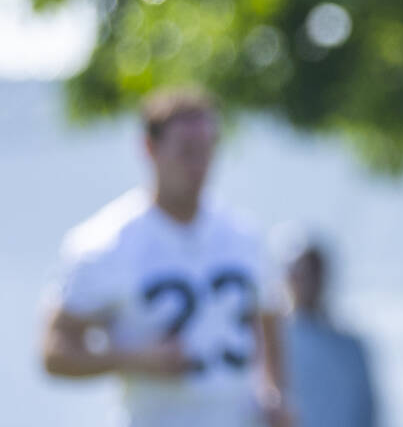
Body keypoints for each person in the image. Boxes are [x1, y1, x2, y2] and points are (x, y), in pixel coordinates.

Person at [40, 86, 292, 427]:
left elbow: (268, 322)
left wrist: (273, 393)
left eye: (206, 150)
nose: (198, 165)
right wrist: (135, 359)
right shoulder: (105, 243)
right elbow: (54, 352)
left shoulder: (243, 236)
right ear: (150, 147)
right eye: (186, 151)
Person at [280, 237, 377, 427]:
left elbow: (368, 411)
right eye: (300, 274)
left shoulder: (350, 347)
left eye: (314, 273)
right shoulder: (268, 343)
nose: (307, 282)